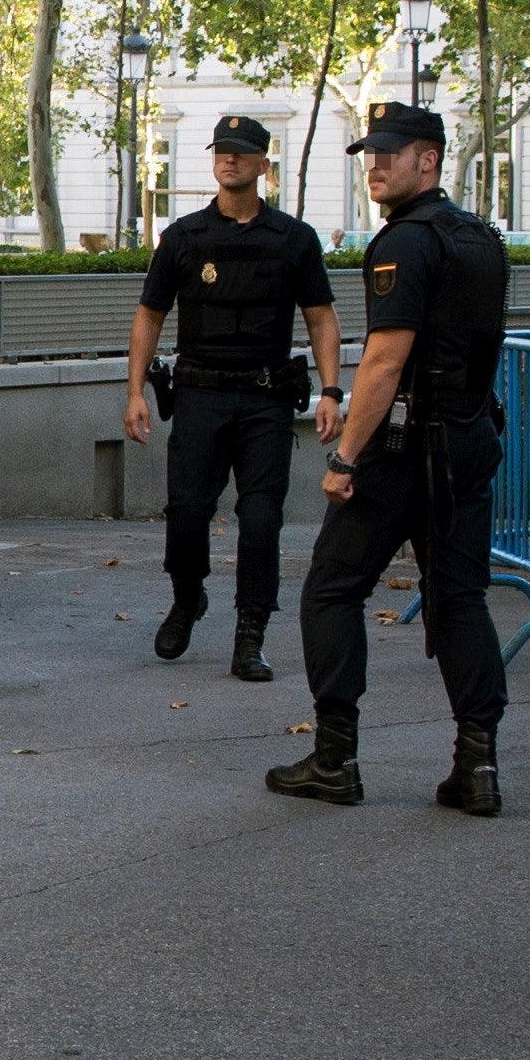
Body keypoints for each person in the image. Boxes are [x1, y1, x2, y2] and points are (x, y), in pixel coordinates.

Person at [268, 104, 511, 812]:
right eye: (369, 153)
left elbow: (383, 361)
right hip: (468, 439)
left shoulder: (405, 242)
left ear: (428, 159)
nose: (375, 165)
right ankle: (479, 766)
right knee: (460, 597)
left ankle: (334, 757)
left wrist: (346, 456)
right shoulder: (481, 238)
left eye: (390, 153)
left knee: (332, 589)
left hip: (406, 448)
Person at [124, 114, 343, 681]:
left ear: (262, 165)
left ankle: (251, 634)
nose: (229, 159)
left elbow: (321, 317)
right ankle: (187, 597)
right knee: (188, 513)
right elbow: (149, 314)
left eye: (242, 152)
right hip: (199, 396)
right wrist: (134, 392)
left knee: (262, 518)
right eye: (221, 150)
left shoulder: (294, 239)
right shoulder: (185, 237)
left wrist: (331, 390)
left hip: (266, 400)